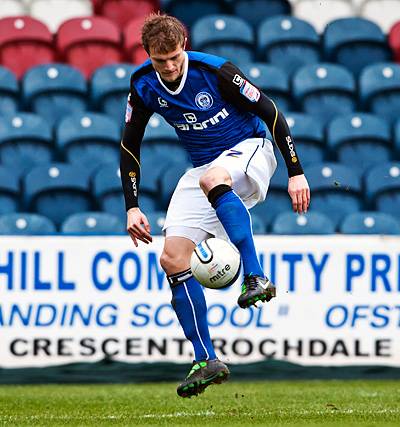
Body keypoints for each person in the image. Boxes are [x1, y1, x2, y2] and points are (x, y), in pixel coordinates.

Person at [119, 13, 310, 398]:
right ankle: (206, 359)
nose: (170, 67)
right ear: (148, 56)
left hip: (251, 149)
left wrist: (296, 172)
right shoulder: (142, 84)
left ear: (183, 45)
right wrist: (132, 206)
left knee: (213, 179)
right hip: (205, 168)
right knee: (172, 258)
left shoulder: (216, 72)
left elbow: (270, 111)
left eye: (174, 56)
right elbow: (129, 145)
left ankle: (255, 276)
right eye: (161, 61)